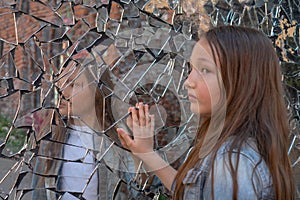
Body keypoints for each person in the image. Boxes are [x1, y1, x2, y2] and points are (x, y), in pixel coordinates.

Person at [117, 25, 296, 199]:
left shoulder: (232, 164)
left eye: (205, 70)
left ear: (242, 83)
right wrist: (146, 153)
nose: (188, 81)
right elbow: (192, 194)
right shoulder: (230, 151)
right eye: (191, 69)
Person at [31, 61, 121, 200]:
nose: (63, 92)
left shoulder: (115, 142)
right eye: (61, 85)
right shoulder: (51, 137)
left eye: (73, 85)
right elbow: (38, 193)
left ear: (96, 93)